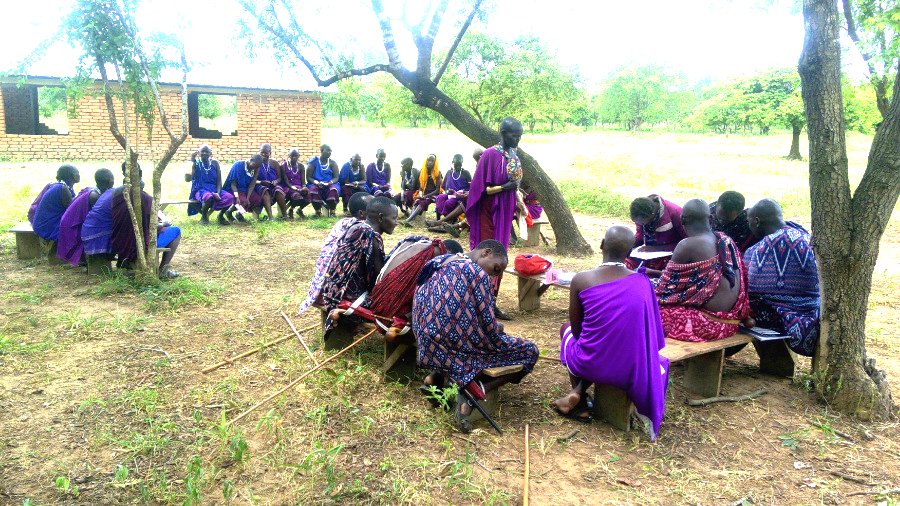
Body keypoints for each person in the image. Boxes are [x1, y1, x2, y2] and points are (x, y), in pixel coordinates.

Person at [551, 226, 668, 439]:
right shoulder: (642, 282)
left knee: (565, 329)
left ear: (602, 245)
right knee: (619, 344)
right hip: (631, 366)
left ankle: (580, 398)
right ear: (631, 251)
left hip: (591, 363)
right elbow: (651, 331)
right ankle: (578, 393)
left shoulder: (582, 279)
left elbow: (577, 331)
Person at [413, 239, 539, 433]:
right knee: (529, 351)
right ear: (485, 253)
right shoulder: (477, 274)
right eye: (496, 269)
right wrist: (499, 329)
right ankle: (478, 388)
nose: (494, 276)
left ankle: (436, 378)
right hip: (450, 344)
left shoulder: (441, 262)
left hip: (424, 343)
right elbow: (488, 329)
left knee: (454, 335)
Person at [655, 199, 751, 343]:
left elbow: (664, 289)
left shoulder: (686, 245)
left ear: (682, 220)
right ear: (711, 217)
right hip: (731, 323)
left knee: (647, 312)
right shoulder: (726, 240)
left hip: (707, 324)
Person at [464, 117, 527, 320]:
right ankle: (476, 302)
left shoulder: (513, 154)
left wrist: (517, 198)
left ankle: (491, 302)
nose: (517, 139)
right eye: (513, 135)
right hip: (488, 212)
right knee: (487, 255)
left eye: (520, 136)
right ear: (502, 132)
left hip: (505, 211)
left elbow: (515, 182)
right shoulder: (490, 155)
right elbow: (481, 188)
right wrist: (505, 187)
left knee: (501, 255)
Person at [744, 199, 820, 356]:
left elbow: (747, 289)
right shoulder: (807, 238)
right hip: (814, 312)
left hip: (780, 318)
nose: (748, 226)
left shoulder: (758, 250)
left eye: (749, 221)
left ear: (757, 221)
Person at [320, 196, 398, 335]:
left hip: (332, 291)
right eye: (394, 218)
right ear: (380, 218)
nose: (396, 223)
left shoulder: (355, 226)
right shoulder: (371, 236)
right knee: (400, 302)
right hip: (347, 298)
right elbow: (377, 281)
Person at [298, 192, 375, 314]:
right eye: (374, 208)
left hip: (323, 285)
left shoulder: (343, 222)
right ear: (362, 213)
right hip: (337, 292)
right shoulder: (363, 231)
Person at [366, 236, 464, 325]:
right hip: (390, 314)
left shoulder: (416, 242)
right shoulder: (434, 258)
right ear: (448, 254)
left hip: (376, 302)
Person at [111, 163, 181, 279]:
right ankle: (163, 269)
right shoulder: (146, 198)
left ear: (123, 173)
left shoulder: (116, 193)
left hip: (120, 241)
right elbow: (151, 226)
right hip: (139, 243)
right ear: (141, 174)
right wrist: (164, 224)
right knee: (175, 231)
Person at [57, 168, 114, 266]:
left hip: (68, 222)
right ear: (110, 180)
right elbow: (96, 219)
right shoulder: (95, 196)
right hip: (71, 225)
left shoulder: (94, 191)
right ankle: (89, 260)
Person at [625, 194, 687, 276]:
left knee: (648, 272)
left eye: (642, 223)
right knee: (625, 265)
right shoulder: (641, 211)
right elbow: (640, 235)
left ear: (652, 215)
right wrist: (628, 246)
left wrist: (658, 248)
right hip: (649, 255)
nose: (640, 225)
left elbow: (687, 243)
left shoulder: (675, 212)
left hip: (672, 254)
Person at [31, 164, 80, 242]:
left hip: (41, 224)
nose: (79, 175)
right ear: (72, 175)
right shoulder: (63, 188)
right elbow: (72, 210)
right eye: (77, 173)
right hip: (47, 228)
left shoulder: (60, 185)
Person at [187, 145, 234, 225]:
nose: (204, 153)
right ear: (199, 153)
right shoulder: (196, 163)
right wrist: (191, 160)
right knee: (208, 197)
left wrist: (218, 193)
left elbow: (219, 181)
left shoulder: (215, 163)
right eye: (202, 152)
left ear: (210, 153)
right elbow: (187, 178)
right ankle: (204, 217)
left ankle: (221, 216)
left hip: (214, 189)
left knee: (230, 197)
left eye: (207, 152)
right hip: (200, 190)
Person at [429, 154, 471, 236]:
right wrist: (449, 191)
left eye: (460, 164)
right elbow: (445, 187)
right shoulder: (449, 173)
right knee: (440, 197)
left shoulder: (465, 173)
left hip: (461, 196)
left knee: (449, 202)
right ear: (452, 163)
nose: (458, 166)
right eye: (456, 164)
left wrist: (462, 192)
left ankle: (445, 223)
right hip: (451, 195)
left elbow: (471, 188)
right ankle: (443, 222)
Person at [402, 154, 443, 226]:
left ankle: (408, 220)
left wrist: (425, 196)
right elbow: (421, 187)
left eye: (432, 161)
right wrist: (421, 194)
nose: (430, 162)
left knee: (423, 202)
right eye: (428, 160)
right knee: (417, 201)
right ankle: (410, 221)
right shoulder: (423, 171)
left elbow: (437, 190)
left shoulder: (437, 173)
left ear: (435, 162)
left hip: (434, 194)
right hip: (424, 193)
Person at [223, 154, 264, 222]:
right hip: (234, 189)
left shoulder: (256, 168)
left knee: (257, 200)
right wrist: (237, 197)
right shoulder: (238, 165)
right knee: (242, 201)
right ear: (251, 160)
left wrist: (248, 198)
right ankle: (229, 212)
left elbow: (252, 185)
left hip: (245, 190)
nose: (255, 168)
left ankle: (239, 213)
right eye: (254, 165)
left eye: (257, 167)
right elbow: (233, 184)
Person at [254, 143, 287, 220]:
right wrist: (262, 182)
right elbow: (252, 179)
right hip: (260, 185)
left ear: (270, 153)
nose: (263, 154)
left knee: (278, 190)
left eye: (266, 152)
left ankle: (285, 215)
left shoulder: (274, 163)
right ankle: (270, 217)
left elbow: (279, 178)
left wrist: (276, 181)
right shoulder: (256, 163)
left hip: (273, 185)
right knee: (265, 191)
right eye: (261, 152)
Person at [307, 144, 340, 217]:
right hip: (316, 183)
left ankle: (332, 211)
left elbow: (336, 177)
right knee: (313, 190)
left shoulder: (332, 163)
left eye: (330, 151)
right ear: (322, 151)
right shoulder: (313, 162)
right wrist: (317, 183)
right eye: (328, 150)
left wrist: (329, 183)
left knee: (333, 190)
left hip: (330, 183)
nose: (329, 152)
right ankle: (317, 212)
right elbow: (308, 177)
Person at [279, 148, 310, 219]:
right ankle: (291, 211)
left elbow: (303, 180)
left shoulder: (301, 166)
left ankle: (299, 210)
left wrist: (304, 187)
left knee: (309, 196)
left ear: (298, 156)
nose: (294, 157)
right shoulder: (284, 165)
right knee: (296, 196)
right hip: (288, 187)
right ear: (289, 155)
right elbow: (286, 181)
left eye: (296, 156)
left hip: (299, 187)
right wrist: (296, 189)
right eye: (292, 156)